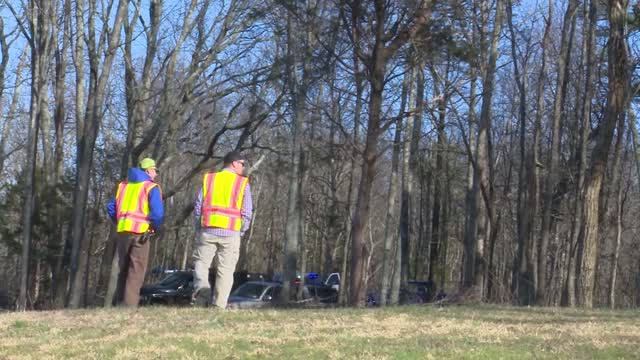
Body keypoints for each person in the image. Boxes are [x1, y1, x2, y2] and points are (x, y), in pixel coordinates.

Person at [192, 151, 253, 308]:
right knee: (225, 271)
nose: (243, 167)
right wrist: (241, 231)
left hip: (207, 231)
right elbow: (246, 211)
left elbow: (198, 205)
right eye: (242, 164)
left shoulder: (209, 179)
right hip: (231, 233)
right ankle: (219, 305)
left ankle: (202, 293)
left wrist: (199, 227)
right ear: (234, 163)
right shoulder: (242, 183)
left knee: (201, 264)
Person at [107, 157, 164, 306]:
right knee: (136, 271)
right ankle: (129, 306)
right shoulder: (151, 187)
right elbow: (157, 213)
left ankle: (118, 303)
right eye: (154, 171)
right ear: (147, 171)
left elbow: (111, 207)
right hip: (141, 234)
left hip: (123, 232)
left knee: (122, 268)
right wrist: (153, 227)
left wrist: (119, 221)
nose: (156, 174)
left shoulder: (123, 186)